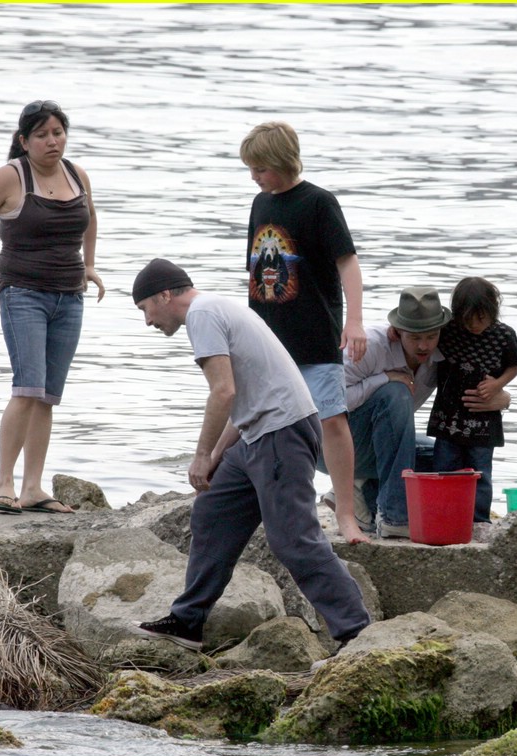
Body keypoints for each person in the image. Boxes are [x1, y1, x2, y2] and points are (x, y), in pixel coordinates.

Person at [129, 258, 369, 651]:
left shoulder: (202, 316)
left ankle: (356, 632)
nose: (148, 321)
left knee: (294, 540)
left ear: (164, 295)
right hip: (259, 433)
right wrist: (219, 457)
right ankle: (188, 621)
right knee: (212, 512)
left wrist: (201, 454)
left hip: (282, 434)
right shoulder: (215, 309)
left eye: (145, 310)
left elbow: (222, 393)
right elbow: (244, 399)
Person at [0, 100, 105, 515]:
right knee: (27, 387)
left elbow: (89, 216)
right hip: (24, 294)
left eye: (58, 132)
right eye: (42, 135)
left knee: (48, 396)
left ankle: (33, 487)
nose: (53, 141)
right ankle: (5, 484)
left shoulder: (76, 174)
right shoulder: (11, 177)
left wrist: (89, 266)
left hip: (69, 297)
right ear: (24, 141)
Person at [239, 121, 370, 545]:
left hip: (315, 334)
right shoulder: (260, 203)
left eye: (260, 168)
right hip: (266, 336)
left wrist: (354, 321)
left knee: (331, 419)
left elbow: (347, 263)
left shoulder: (319, 202)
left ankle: (347, 515)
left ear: (281, 161)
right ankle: (267, 506)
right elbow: (254, 270)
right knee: (260, 422)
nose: (255, 177)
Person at [344, 287, 512, 539]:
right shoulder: (370, 347)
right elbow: (328, 403)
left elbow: (476, 379)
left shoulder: (442, 354)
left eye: (431, 336)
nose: (423, 346)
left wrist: (503, 398)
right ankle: (394, 517)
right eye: (414, 338)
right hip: (339, 445)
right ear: (398, 331)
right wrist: (383, 379)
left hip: (380, 444)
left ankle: (363, 492)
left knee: (451, 457)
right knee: (395, 393)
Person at [428, 277, 517, 524]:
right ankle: (444, 518)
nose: (474, 326)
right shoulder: (448, 331)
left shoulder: (503, 335)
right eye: (468, 320)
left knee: (480, 472)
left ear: (492, 312)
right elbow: (421, 336)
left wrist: (498, 384)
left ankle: (479, 520)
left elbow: (515, 365)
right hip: (448, 417)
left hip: (483, 420)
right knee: (445, 469)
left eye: (480, 319)